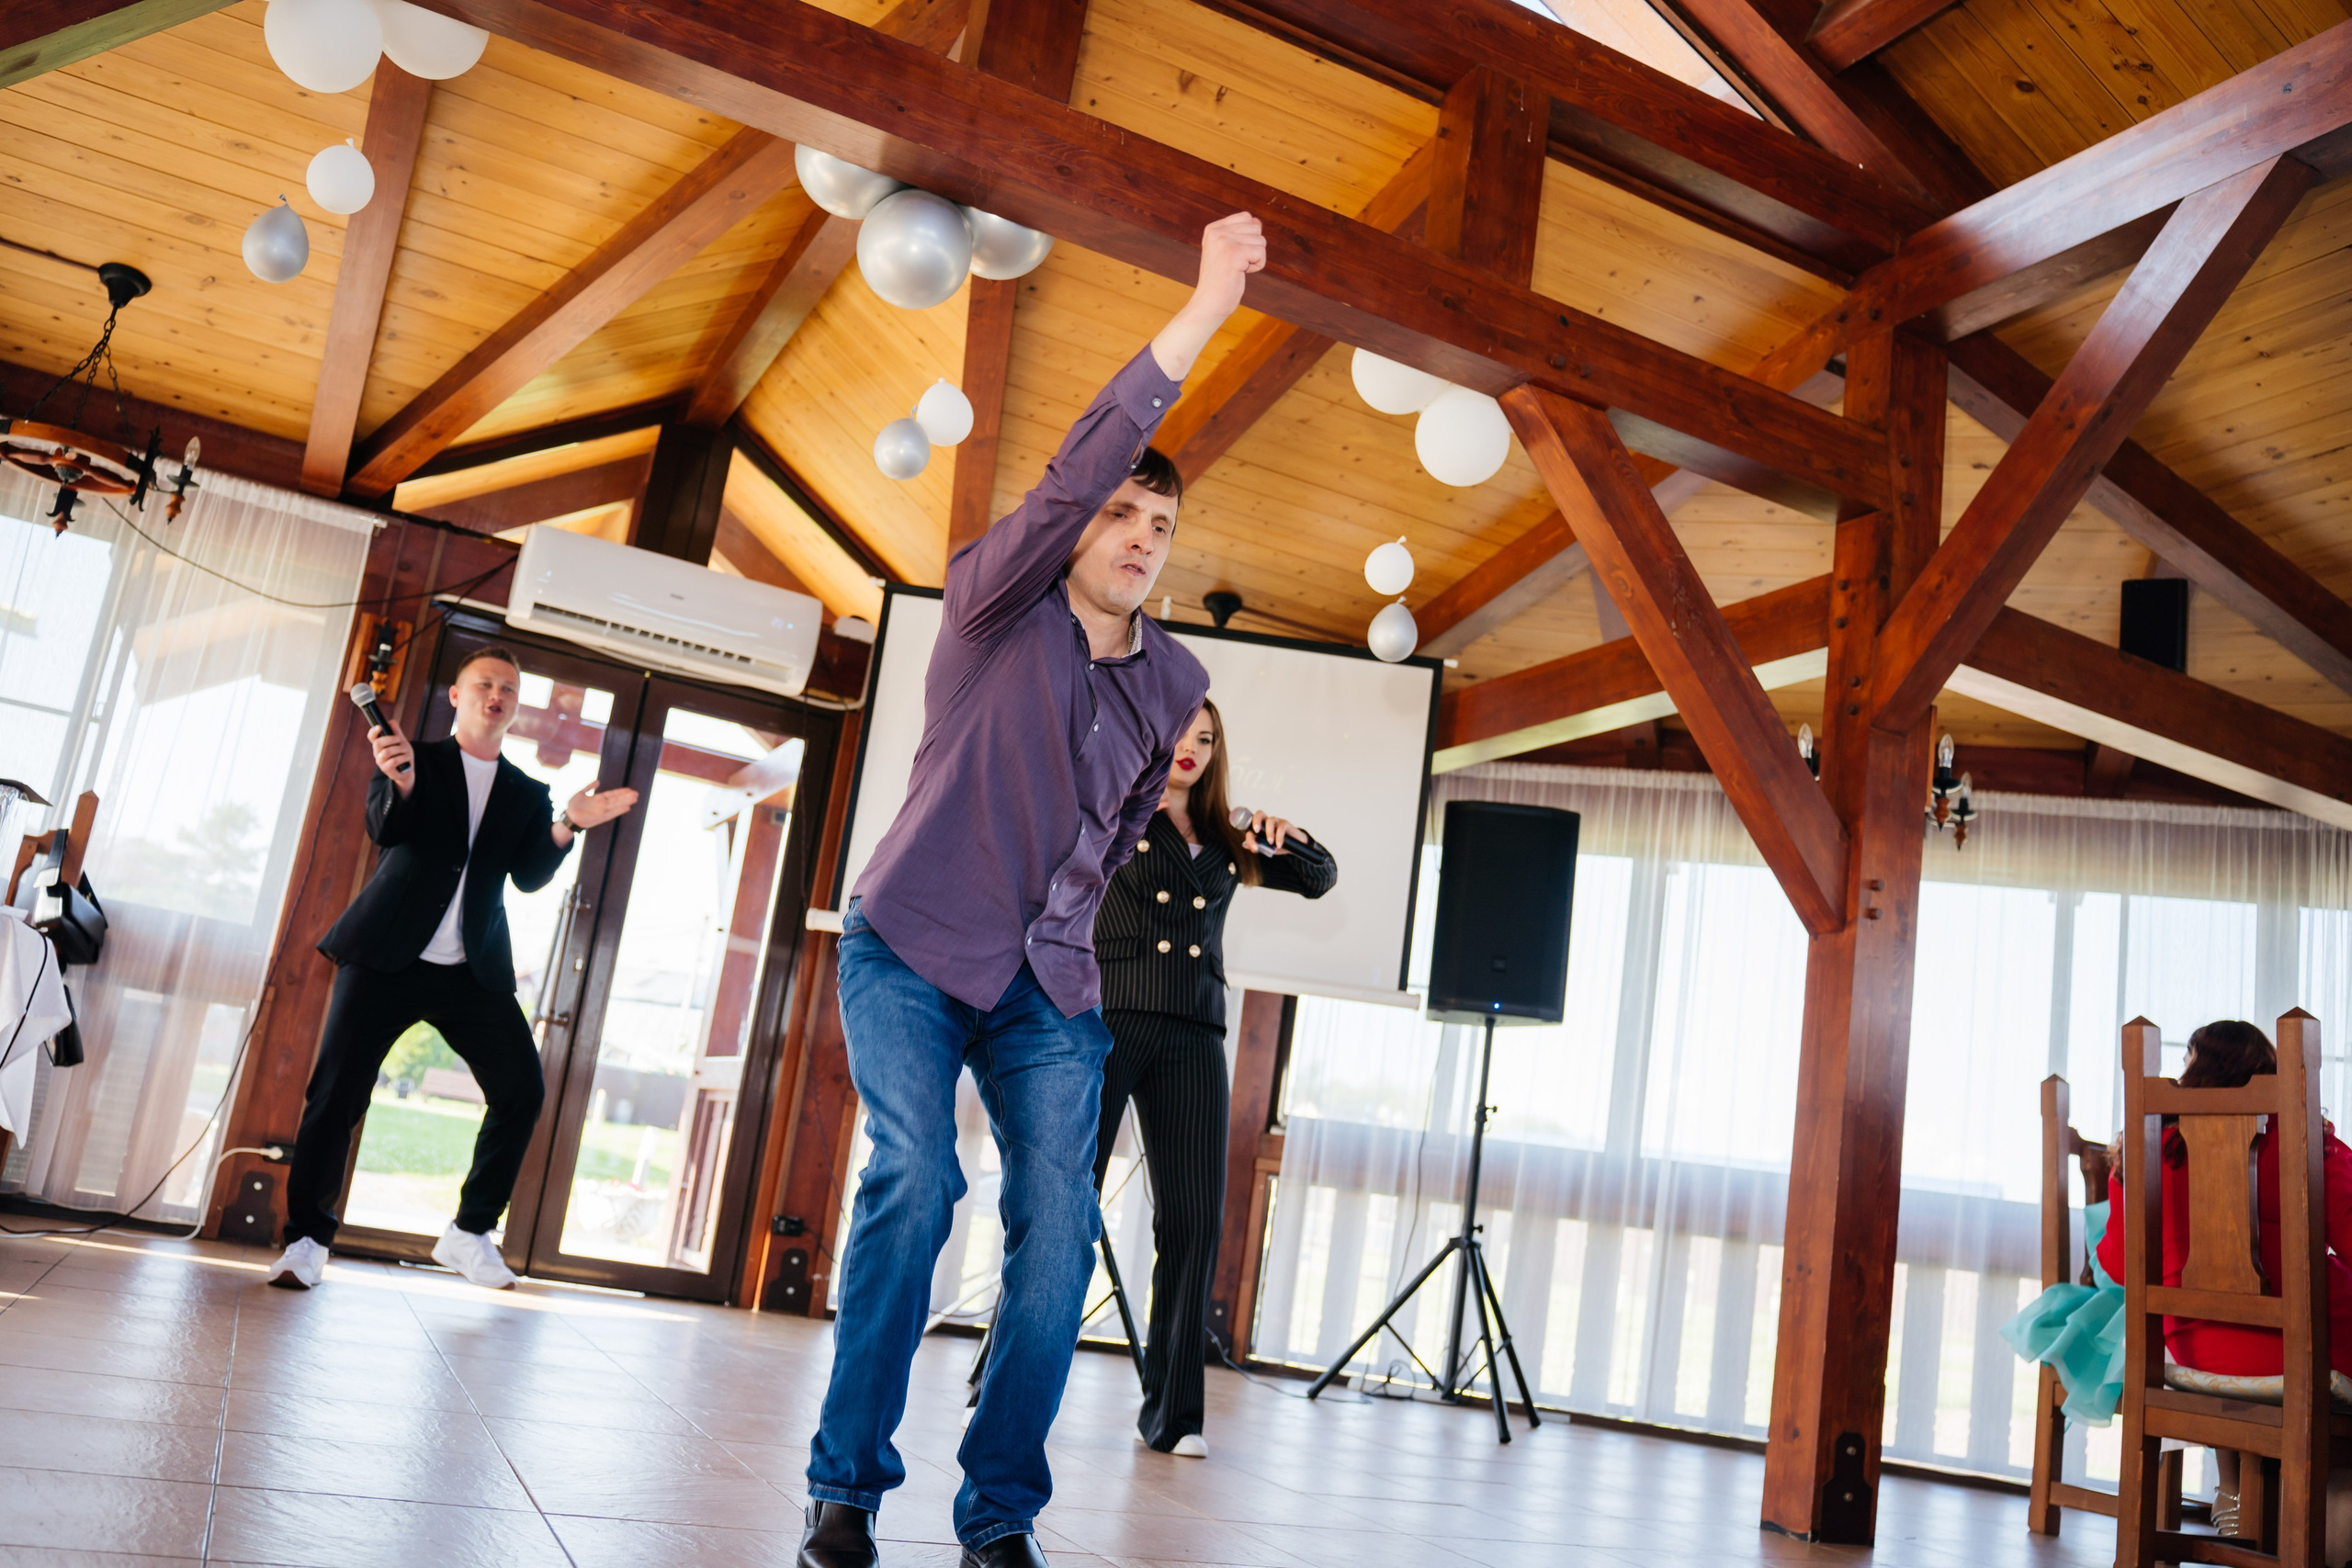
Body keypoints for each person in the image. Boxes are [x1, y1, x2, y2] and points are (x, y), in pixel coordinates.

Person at [797, 212, 1264, 1568]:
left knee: (1060, 1223)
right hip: (907, 944)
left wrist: (1068, 939)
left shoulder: (1178, 683)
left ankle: (999, 1513)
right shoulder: (995, 598)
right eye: (1122, 510)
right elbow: (1079, 463)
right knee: (916, 1176)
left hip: (1046, 983)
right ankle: (844, 1485)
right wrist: (1206, 300)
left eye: (1161, 522)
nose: (1138, 534)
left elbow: (1120, 826)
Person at [266, 646, 639, 1292]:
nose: (497, 694)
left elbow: (526, 875)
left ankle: (468, 1234)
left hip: (472, 967)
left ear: (515, 707)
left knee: (522, 1089)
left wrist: (566, 825)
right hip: (385, 956)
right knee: (335, 1097)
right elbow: (385, 828)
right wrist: (402, 784)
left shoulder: (527, 791)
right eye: (485, 683)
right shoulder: (415, 759)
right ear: (457, 697)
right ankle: (305, 1241)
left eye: (509, 689)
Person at [1091, 698, 1335, 1457]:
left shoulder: (1232, 835)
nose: (1191, 749)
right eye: (1179, 734)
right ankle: (998, 1372)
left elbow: (1320, 879)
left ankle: (1175, 1414)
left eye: (1207, 738)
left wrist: (1289, 836)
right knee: (1060, 1206)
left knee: (1193, 1222)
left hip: (1195, 1031)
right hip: (1105, 1018)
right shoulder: (1112, 807)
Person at [2094, 1019, 2352, 1540]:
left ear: (2191, 1071)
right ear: (2273, 1075)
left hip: (2193, 1350)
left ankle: (2239, 1501)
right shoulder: (2304, 1144)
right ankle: (2322, 1527)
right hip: (2302, 1356)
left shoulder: (2152, 1146)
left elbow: (2119, 1267)